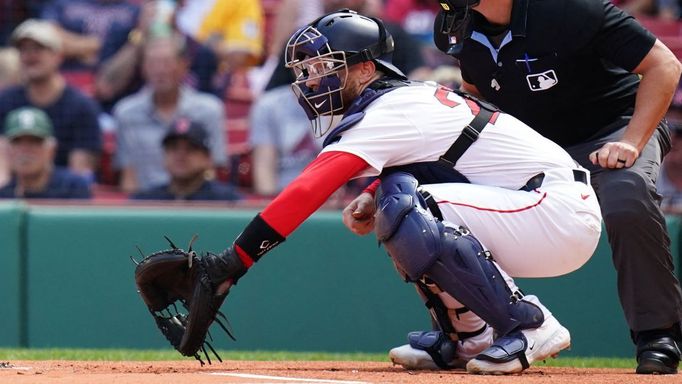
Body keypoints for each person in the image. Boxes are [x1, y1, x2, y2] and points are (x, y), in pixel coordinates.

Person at [148, 10, 602, 375]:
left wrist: (234, 261)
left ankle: (528, 325)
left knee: (410, 209)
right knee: (398, 199)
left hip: (555, 210)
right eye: (306, 70)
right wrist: (376, 192)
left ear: (366, 67)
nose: (310, 80)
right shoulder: (395, 102)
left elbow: (311, 186)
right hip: (537, 209)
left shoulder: (391, 107)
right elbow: (440, 167)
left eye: (325, 67)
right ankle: (472, 338)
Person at [381, 0, 682, 375]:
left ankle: (657, 335)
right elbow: (477, 96)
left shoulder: (570, 8)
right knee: (424, 202)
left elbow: (664, 65)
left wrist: (633, 142)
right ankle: (466, 334)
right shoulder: (453, 24)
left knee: (627, 197)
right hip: (532, 146)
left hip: (611, 129)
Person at [113, 33, 227, 193]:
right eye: (153, 63)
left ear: (184, 65)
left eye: (167, 63)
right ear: (143, 68)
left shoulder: (209, 110)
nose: (160, 70)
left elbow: (213, 169)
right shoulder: (126, 112)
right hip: (147, 206)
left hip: (196, 202)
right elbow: (129, 174)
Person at [0, 19, 102, 183]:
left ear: (58, 56)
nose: (30, 56)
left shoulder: (81, 106)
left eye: (38, 49)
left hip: (62, 198)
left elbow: (81, 174)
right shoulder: (5, 101)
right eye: (23, 50)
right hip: (11, 194)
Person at [132, 117, 240, 201]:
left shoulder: (227, 200)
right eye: (174, 148)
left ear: (208, 158)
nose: (180, 155)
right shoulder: (146, 200)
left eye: (190, 148)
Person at [0, 107, 91, 199]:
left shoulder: (72, 187)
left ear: (51, 149)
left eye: (35, 141)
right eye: (17, 142)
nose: (25, 150)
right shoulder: (3, 195)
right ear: (6, 150)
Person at [249, 84, 323, 196]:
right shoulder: (268, 105)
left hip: (327, 196)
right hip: (282, 194)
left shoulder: (344, 101)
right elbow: (264, 169)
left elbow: (339, 169)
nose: (311, 70)